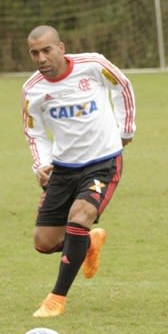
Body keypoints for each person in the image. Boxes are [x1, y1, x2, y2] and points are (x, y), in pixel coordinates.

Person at [22, 25, 136, 317]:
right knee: (44, 243)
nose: (41, 58)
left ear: (61, 47)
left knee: (80, 216)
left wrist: (126, 128)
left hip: (103, 161)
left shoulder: (93, 66)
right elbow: (33, 132)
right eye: (35, 53)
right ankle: (87, 243)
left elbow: (122, 85)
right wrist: (41, 164)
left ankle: (56, 298)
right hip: (63, 168)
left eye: (47, 50)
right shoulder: (33, 89)